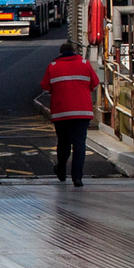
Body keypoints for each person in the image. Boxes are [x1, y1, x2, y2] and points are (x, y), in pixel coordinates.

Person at [41, 42, 100, 187]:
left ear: (61, 53)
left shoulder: (53, 66)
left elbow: (45, 87)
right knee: (79, 144)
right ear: (74, 52)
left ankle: (61, 170)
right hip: (82, 112)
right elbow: (95, 84)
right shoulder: (85, 64)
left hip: (61, 112)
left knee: (63, 142)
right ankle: (77, 177)